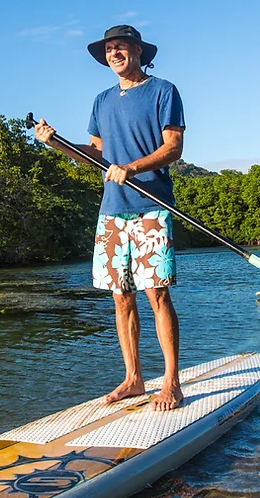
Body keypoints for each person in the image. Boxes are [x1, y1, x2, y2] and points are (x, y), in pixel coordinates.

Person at [32, 25, 186, 411]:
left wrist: (131, 167)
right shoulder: (101, 101)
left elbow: (173, 148)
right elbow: (95, 154)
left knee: (157, 294)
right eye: (109, 49)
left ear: (138, 50)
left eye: (121, 46)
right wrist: (56, 144)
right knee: (121, 298)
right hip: (112, 210)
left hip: (151, 206)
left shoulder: (163, 91)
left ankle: (171, 382)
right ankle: (134, 378)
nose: (114, 53)